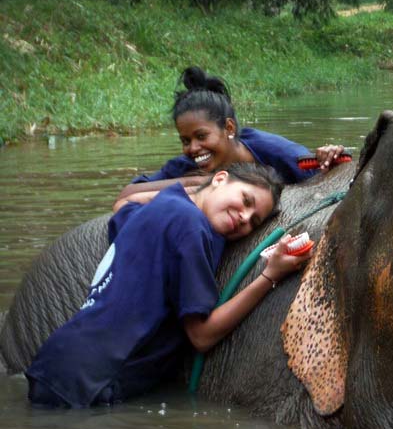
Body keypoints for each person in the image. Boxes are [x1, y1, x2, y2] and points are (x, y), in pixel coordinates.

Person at [26, 162, 308, 408]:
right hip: (90, 382)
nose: (244, 217)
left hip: (60, 363)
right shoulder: (191, 226)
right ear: (220, 179)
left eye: (254, 220)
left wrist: (197, 192)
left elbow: (123, 207)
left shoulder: (164, 205)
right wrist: (270, 276)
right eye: (245, 200)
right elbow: (202, 336)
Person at [113, 66, 345, 210]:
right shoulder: (187, 166)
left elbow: (327, 177)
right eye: (185, 141)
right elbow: (127, 194)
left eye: (201, 136)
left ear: (229, 128)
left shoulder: (272, 151)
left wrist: (329, 157)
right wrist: (199, 182)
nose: (193, 148)